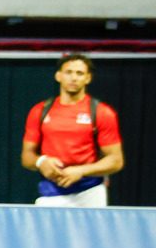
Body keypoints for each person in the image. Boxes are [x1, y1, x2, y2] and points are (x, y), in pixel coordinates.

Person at [21, 52, 122, 207]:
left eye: (79, 73)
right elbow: (27, 157)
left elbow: (115, 161)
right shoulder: (40, 111)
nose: (74, 78)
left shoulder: (102, 112)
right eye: (68, 72)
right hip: (51, 192)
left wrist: (80, 171)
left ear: (88, 78)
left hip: (90, 192)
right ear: (58, 76)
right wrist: (41, 162)